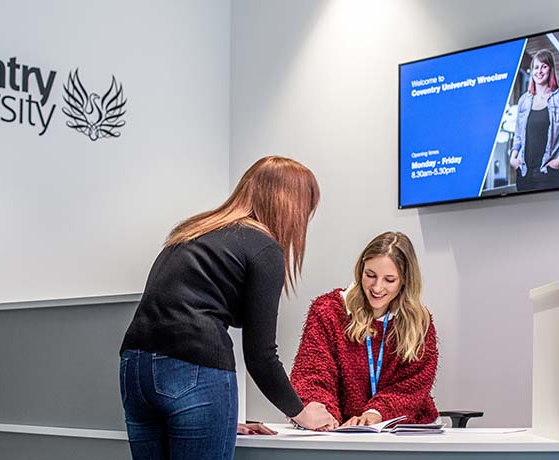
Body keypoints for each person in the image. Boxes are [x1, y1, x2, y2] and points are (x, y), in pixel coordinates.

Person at [119, 156, 336, 459]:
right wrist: (300, 411)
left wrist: (217, 422)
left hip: (135, 370)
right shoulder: (264, 247)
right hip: (196, 369)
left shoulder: (193, 231)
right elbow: (261, 356)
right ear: (291, 207)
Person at [290, 231, 438, 427]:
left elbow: (412, 386)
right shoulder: (328, 311)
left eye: (389, 280)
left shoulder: (418, 322)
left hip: (403, 429)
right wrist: (323, 414)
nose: (377, 288)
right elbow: (312, 373)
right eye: (370, 275)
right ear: (360, 271)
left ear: (405, 281)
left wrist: (377, 412)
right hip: (342, 430)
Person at [509, 49, 559, 192]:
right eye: (536, 67)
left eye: (544, 66)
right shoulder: (524, 100)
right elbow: (518, 136)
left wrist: (558, 161)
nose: (539, 71)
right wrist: (513, 159)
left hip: (548, 172)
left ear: (551, 69)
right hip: (524, 172)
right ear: (532, 71)